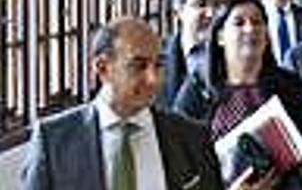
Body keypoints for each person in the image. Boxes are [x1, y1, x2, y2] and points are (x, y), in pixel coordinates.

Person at [22, 16, 223, 189]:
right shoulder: (54, 140)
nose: (153, 79)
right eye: (139, 66)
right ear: (102, 68)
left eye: (158, 65)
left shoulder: (192, 137)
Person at [173, 0, 302, 189]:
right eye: (239, 23)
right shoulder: (198, 90)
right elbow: (179, 161)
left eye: (257, 22)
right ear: (220, 37)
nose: (250, 29)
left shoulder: (290, 86)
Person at [157, 0, 233, 109]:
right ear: (180, 12)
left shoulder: (244, 59)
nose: (211, 14)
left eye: (220, 6)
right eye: (201, 4)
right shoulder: (154, 58)